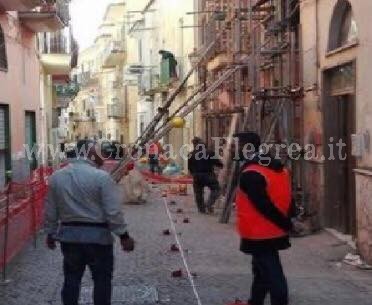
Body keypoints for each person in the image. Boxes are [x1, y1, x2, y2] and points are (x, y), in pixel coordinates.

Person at [44, 140, 135, 305]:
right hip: (98, 239)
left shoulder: (57, 177)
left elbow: (51, 209)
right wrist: (124, 236)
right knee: (102, 281)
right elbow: (113, 212)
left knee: (71, 279)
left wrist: (50, 233)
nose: (104, 155)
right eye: (100, 152)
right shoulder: (101, 177)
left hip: (70, 238)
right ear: (90, 154)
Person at [234, 132, 293, 305]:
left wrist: (285, 223)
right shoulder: (277, 168)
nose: (236, 148)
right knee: (260, 270)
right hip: (273, 230)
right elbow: (287, 196)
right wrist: (286, 221)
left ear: (247, 147)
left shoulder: (251, 173)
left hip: (259, 232)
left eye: (239, 145)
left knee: (273, 274)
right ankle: (255, 300)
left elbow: (263, 205)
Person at [188, 137, 223, 214]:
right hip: (208, 175)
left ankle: (201, 209)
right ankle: (209, 204)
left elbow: (189, 168)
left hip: (197, 175)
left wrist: (194, 174)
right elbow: (219, 164)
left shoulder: (191, 154)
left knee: (198, 193)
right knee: (216, 189)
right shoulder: (210, 153)